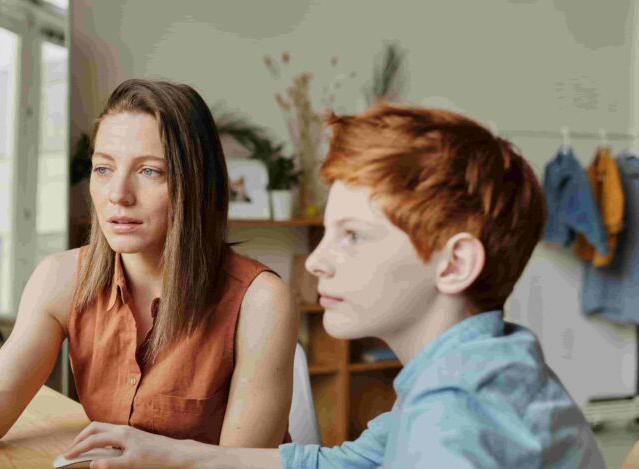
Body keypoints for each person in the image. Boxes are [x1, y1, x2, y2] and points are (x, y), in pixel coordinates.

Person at [61, 104, 605, 468]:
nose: (317, 262)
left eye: (353, 237)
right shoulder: (481, 365)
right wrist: (166, 451)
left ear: (455, 263)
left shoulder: (453, 422)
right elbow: (347, 462)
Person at [0, 78, 299, 448]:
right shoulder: (63, 277)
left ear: (198, 185)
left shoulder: (261, 302)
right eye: (103, 168)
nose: (117, 195)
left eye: (150, 171)